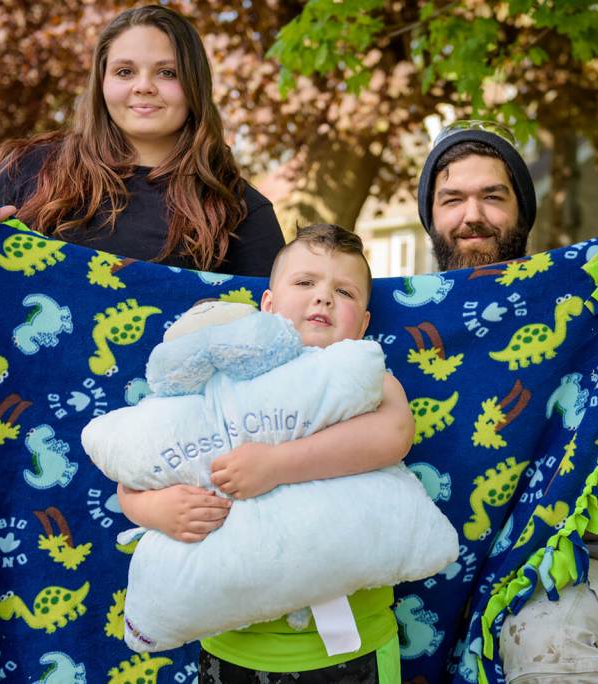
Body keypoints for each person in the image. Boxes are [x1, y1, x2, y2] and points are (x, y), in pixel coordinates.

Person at [417, 121, 598, 683]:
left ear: (522, 213)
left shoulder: (594, 303)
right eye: (452, 199)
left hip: (580, 568)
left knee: (548, 642)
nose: (472, 215)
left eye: (493, 196)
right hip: (440, 571)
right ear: (431, 216)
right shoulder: (407, 326)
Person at [121, 224, 415, 684]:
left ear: (362, 324)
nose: (323, 298)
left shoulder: (361, 378)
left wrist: (277, 466)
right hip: (232, 643)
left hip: (349, 643)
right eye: (305, 282)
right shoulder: (218, 380)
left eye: (344, 291)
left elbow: (393, 433)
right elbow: (139, 466)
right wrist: (156, 509)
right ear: (269, 306)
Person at [0, 4, 285, 275]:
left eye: (167, 72)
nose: (143, 86)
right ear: (101, 83)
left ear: (195, 85)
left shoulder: (240, 211)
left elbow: (272, 334)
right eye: (124, 71)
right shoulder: (29, 171)